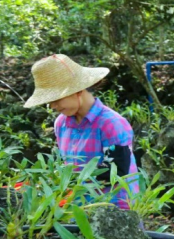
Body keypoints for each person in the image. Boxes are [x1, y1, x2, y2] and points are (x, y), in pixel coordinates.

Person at [24, 54, 139, 209]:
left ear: (77, 90)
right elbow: (67, 164)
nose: (52, 106)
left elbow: (117, 171)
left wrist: (74, 183)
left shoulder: (110, 124)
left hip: (114, 207)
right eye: (49, 102)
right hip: (77, 208)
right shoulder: (61, 124)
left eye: (56, 99)